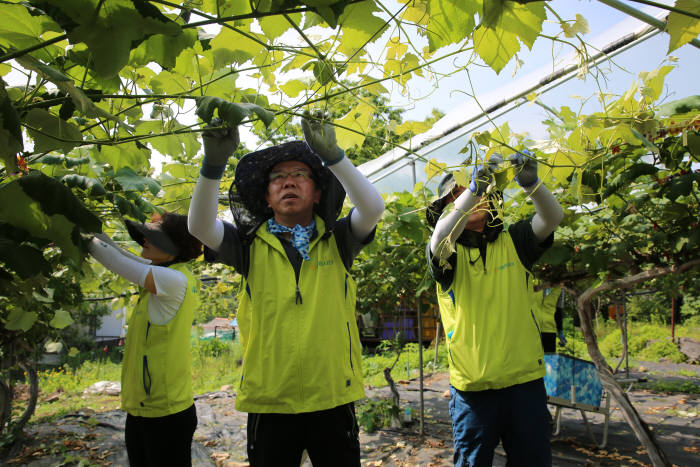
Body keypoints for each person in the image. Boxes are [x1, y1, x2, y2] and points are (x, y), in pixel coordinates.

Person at [187, 114, 384, 467]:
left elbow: (373, 208)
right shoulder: (247, 245)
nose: (287, 182)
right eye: (277, 178)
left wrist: (335, 155)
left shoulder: (337, 239)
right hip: (270, 399)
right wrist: (212, 165)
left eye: (299, 175)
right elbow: (200, 226)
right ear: (266, 195)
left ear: (318, 190)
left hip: (332, 396)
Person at [426, 150, 564, 467]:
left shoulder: (514, 241)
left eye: (479, 192)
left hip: (525, 385)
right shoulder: (446, 253)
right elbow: (440, 236)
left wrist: (532, 183)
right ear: (446, 208)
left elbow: (552, 217)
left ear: (494, 202)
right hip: (473, 393)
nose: (471, 198)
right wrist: (474, 186)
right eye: (457, 194)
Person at [86, 212, 202, 466]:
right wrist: (89, 225)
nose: (144, 240)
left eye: (153, 236)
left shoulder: (172, 280)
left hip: (164, 413)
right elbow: (119, 253)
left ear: (175, 245)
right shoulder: (167, 272)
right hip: (144, 408)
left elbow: (113, 259)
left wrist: (79, 231)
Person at [533, 285, 567, 352]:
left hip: (549, 331)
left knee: (548, 359)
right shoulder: (534, 282)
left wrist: (560, 331)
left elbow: (559, 311)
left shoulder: (560, 288)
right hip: (532, 329)